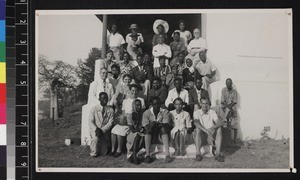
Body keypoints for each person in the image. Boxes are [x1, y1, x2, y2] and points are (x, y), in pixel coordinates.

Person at [141, 96, 172, 163]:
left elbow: (166, 124)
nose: (156, 106)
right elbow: (145, 126)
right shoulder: (146, 113)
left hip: (161, 133)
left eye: (158, 104)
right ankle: (147, 155)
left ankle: (167, 155)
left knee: (164, 128)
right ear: (151, 105)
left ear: (160, 104)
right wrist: (153, 123)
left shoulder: (165, 111)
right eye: (154, 104)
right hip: (151, 134)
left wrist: (155, 123)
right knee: (147, 130)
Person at [193, 97, 225, 162]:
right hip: (201, 136)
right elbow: (196, 122)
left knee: (219, 129)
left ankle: (218, 154)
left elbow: (219, 122)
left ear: (209, 104)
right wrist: (205, 130)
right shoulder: (197, 112)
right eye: (203, 103)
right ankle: (198, 154)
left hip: (210, 135)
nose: (205, 105)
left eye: (206, 103)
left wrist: (212, 128)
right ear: (200, 104)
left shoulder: (212, 112)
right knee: (197, 129)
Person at [89, 92, 114, 157]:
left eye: (106, 98)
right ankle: (93, 151)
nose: (105, 100)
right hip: (95, 131)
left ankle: (102, 147)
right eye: (103, 98)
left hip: (104, 131)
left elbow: (110, 123)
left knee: (104, 152)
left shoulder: (111, 110)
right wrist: (96, 129)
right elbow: (90, 121)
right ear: (99, 99)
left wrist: (102, 130)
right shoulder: (94, 109)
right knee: (95, 141)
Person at [126, 99, 145, 164]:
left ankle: (133, 156)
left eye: (140, 105)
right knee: (137, 135)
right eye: (137, 105)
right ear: (133, 106)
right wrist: (140, 129)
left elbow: (143, 125)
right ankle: (134, 156)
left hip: (140, 133)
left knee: (143, 136)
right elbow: (133, 130)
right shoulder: (129, 115)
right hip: (131, 134)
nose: (139, 107)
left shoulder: (142, 115)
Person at [221, 78, 238, 143]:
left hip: (232, 107)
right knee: (225, 123)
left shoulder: (234, 91)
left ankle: (234, 140)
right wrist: (227, 107)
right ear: (225, 84)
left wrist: (229, 107)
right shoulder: (223, 90)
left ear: (231, 83)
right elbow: (222, 101)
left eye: (229, 83)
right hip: (225, 107)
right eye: (227, 83)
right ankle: (227, 139)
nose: (228, 85)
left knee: (234, 123)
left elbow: (234, 102)